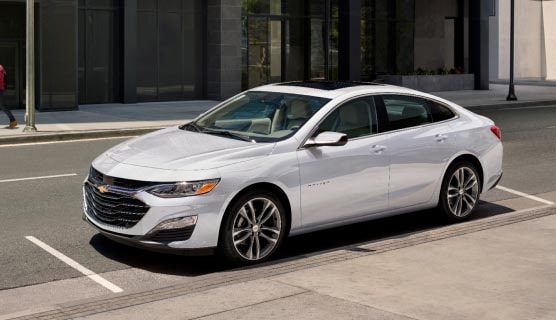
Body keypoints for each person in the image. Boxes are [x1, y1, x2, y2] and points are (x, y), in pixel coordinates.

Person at [0, 64, 17, 129]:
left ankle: (13, 120)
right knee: (2, 106)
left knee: (2, 106)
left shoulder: (0, 68)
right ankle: (13, 120)